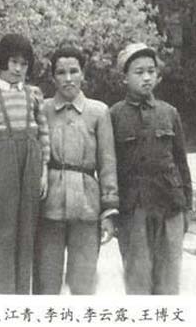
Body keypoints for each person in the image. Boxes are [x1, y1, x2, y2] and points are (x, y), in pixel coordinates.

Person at [33, 46, 118, 295]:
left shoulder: (99, 111)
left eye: (74, 71)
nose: (68, 78)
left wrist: (108, 210)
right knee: (46, 283)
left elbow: (107, 163)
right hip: (49, 206)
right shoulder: (42, 109)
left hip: (87, 207)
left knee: (83, 285)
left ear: (83, 74)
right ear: (53, 77)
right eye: (61, 72)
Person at [110, 42, 192, 294]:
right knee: (138, 284)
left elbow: (181, 163)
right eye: (139, 72)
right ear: (125, 77)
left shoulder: (169, 113)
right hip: (133, 209)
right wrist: (111, 211)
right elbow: (108, 166)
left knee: (168, 284)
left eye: (151, 71)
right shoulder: (114, 115)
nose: (146, 77)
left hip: (170, 206)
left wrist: (187, 207)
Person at [0, 33, 50, 294]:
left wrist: (44, 172)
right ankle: (4, 299)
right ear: (2, 61)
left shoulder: (34, 94)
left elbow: (43, 134)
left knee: (27, 231)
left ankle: (22, 296)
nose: (18, 69)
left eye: (24, 64)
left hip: (31, 162)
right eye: (13, 62)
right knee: (4, 231)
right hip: (2, 163)